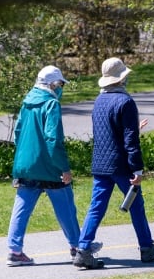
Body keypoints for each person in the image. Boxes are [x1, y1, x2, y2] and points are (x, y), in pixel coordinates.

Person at [73, 57, 154, 269]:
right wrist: (137, 167)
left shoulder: (99, 101)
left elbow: (108, 132)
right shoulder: (125, 102)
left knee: (96, 206)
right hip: (121, 164)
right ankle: (146, 247)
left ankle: (83, 249)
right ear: (121, 79)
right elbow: (130, 140)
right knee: (136, 204)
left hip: (100, 162)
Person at [6, 65, 101, 266]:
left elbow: (18, 133)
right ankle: (78, 246)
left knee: (21, 208)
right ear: (51, 84)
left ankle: (14, 251)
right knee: (65, 205)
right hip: (48, 166)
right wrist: (64, 168)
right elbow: (53, 139)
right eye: (59, 84)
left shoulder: (27, 102)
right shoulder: (51, 104)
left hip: (25, 164)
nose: (60, 88)